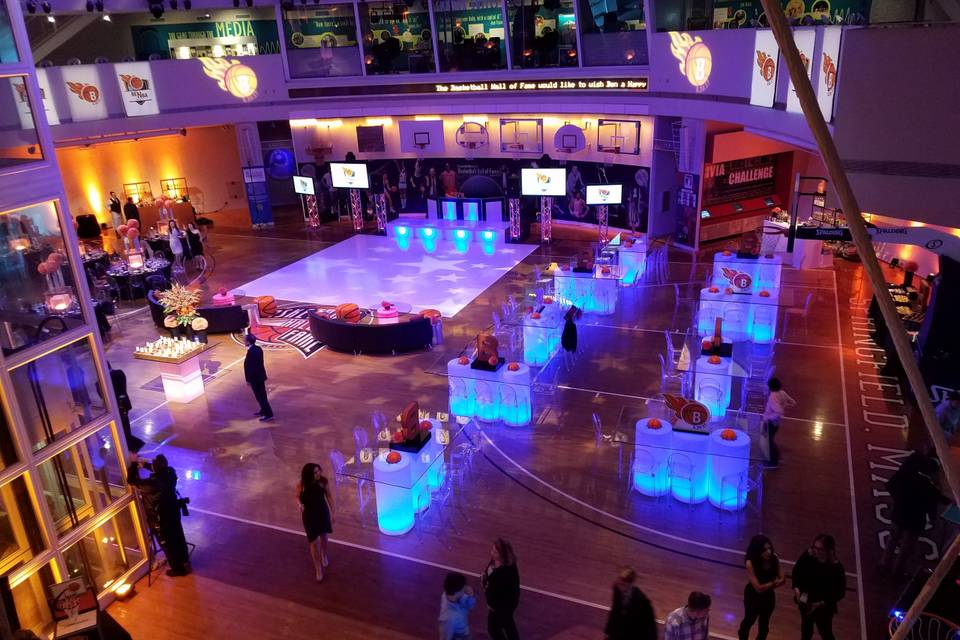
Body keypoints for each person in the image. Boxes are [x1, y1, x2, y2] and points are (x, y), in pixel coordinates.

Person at [880, 453, 948, 577]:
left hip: (899, 513)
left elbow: (892, 486)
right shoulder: (928, 487)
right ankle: (897, 572)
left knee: (892, 540)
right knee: (906, 548)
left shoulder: (907, 476)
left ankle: (884, 565)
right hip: (914, 521)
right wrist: (932, 518)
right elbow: (934, 503)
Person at [126, 454, 190, 576]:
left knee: (167, 543)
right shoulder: (170, 473)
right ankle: (184, 558)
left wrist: (134, 463)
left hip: (160, 518)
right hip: (173, 512)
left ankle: (177, 569)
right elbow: (159, 470)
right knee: (177, 537)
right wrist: (145, 465)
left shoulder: (152, 484)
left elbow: (132, 481)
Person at [792, 534, 846, 640]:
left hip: (823, 607)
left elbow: (839, 592)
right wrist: (797, 589)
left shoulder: (836, 568)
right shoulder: (808, 556)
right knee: (806, 631)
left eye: (820, 549)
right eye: (814, 547)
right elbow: (796, 572)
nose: (815, 551)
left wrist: (820, 603)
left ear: (829, 550)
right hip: (806, 600)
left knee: (825, 632)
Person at [737, 534, 785, 640]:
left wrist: (767, 586)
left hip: (768, 597)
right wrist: (772, 583)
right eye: (764, 549)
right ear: (757, 551)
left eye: (769, 548)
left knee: (764, 625)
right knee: (749, 620)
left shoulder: (774, 558)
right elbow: (757, 589)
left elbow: (783, 579)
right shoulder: (750, 563)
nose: (769, 552)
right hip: (752, 597)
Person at [297, 463, 334, 582]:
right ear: (309, 475)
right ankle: (318, 568)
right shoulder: (301, 485)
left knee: (324, 536)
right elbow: (297, 497)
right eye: (315, 472)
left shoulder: (323, 482)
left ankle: (324, 554)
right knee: (313, 542)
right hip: (309, 516)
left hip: (322, 513)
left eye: (319, 471)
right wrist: (299, 504)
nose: (319, 473)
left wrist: (333, 512)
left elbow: (329, 496)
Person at [481, 538, 520, 640]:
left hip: (501, 607)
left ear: (502, 554)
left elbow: (497, 591)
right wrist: (485, 576)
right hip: (503, 606)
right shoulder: (496, 561)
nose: (491, 553)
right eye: (492, 550)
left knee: (493, 629)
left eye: (495, 551)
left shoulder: (505, 572)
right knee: (508, 625)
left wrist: (486, 586)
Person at [604, 567, 656, 640]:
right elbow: (614, 611)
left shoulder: (642, 602)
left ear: (631, 584)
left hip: (632, 634)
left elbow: (650, 627)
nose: (620, 587)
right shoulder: (617, 588)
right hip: (617, 632)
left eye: (622, 584)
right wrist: (608, 632)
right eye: (619, 583)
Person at [762, 377, 796, 468]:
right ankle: (777, 458)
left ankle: (773, 462)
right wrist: (785, 405)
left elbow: (779, 411)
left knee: (769, 442)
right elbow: (793, 402)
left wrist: (768, 418)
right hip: (777, 423)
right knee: (770, 440)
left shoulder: (773, 397)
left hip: (771, 423)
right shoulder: (783, 393)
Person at [109, 365, 144, 453]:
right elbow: (123, 390)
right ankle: (133, 445)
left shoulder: (107, 379)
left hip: (118, 407)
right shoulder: (119, 373)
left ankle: (135, 445)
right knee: (125, 427)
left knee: (123, 429)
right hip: (124, 405)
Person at [244, 333, 274, 421]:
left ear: (248, 342)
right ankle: (263, 410)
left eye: (245, 340)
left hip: (255, 378)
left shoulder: (251, 352)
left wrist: (248, 379)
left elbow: (251, 367)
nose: (244, 341)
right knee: (260, 396)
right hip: (260, 376)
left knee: (261, 396)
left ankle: (269, 414)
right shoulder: (258, 348)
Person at [438, 572, 476, 640]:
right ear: (457, 592)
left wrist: (471, 595)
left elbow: (471, 606)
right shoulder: (449, 618)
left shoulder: (447, 594)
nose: (466, 588)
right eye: (464, 588)